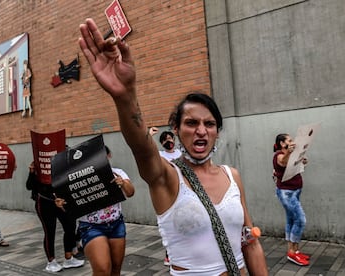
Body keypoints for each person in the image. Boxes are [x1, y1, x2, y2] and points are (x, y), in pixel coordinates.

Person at [78, 18, 267, 275]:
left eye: (209, 124)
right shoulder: (166, 176)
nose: (201, 130)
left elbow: (250, 242)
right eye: (191, 123)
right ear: (175, 129)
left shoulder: (232, 176)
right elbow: (140, 145)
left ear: (216, 132)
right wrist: (125, 96)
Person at [57, 145, 135, 275]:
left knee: (115, 270)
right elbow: (70, 208)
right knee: (103, 269)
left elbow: (131, 192)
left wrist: (123, 183)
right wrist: (62, 204)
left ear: (109, 156)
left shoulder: (117, 173)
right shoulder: (78, 178)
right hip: (91, 227)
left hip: (116, 224)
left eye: (102, 157)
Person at [26, 161, 84, 272]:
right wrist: (32, 172)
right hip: (44, 203)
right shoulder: (40, 162)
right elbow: (29, 186)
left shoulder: (63, 158)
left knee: (70, 227)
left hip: (61, 201)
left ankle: (69, 258)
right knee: (49, 231)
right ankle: (51, 262)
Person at [273, 134, 310, 266]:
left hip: (295, 191)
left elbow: (292, 164)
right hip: (286, 193)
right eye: (289, 140)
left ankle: (293, 250)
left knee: (291, 220)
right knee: (300, 220)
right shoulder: (278, 155)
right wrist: (289, 152)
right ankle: (292, 252)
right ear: (283, 144)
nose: (292, 141)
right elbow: (282, 162)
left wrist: (302, 161)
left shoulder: (291, 154)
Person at [149, 127, 181, 266]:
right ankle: (169, 254)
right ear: (161, 143)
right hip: (169, 194)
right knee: (171, 225)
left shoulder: (181, 153)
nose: (168, 141)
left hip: (183, 191)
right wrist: (149, 136)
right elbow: (149, 152)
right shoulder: (161, 155)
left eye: (170, 138)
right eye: (165, 140)